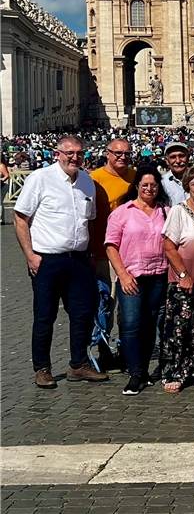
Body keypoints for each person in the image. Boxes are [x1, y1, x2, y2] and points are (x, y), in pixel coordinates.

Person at [14, 135, 109, 389]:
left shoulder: (87, 182)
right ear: (58, 153)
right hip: (47, 259)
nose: (74, 157)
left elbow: (89, 221)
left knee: (83, 314)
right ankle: (42, 368)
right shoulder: (40, 178)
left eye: (79, 153)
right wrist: (30, 255)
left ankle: (78, 364)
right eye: (69, 153)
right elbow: (21, 218)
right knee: (44, 315)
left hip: (78, 258)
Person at [105, 164, 170, 395]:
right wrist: (122, 274)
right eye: (145, 185)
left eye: (153, 185)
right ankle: (134, 372)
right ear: (137, 187)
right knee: (131, 324)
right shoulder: (122, 212)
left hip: (159, 275)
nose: (149, 189)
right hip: (131, 276)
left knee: (150, 324)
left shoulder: (166, 211)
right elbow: (111, 246)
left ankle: (142, 369)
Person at [160, 165, 194, 393]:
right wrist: (183, 274)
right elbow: (169, 247)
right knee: (182, 328)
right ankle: (178, 371)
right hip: (184, 278)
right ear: (187, 187)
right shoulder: (178, 211)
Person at [89, 137, 136, 282]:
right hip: (103, 250)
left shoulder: (136, 177)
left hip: (132, 251)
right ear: (107, 154)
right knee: (107, 298)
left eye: (127, 154)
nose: (123, 157)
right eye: (118, 153)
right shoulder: (94, 178)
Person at [160, 142, 191, 206]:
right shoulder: (162, 183)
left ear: (188, 158)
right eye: (173, 157)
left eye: (181, 156)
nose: (178, 161)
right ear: (167, 161)